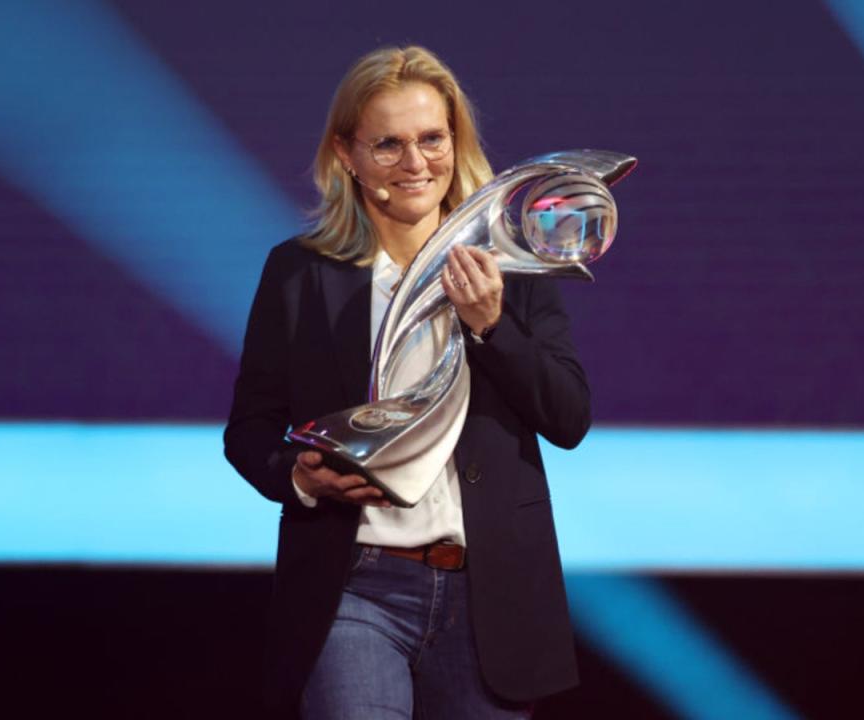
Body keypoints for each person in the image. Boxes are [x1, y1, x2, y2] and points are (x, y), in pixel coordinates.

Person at [224, 45, 591, 720]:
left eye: (432, 139)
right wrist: (303, 479)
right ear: (347, 155)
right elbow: (248, 428)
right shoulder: (301, 272)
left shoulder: (513, 268)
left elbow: (568, 417)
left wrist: (492, 326)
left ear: (458, 141)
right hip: (353, 584)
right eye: (388, 144)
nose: (416, 163)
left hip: (489, 596)